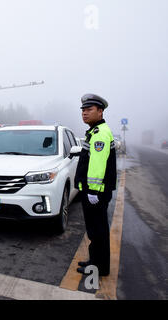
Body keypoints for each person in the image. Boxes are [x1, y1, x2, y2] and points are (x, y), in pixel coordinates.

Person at [74, 93, 117, 277]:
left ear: (100, 111)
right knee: (95, 230)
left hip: (96, 193)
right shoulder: (94, 131)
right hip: (94, 192)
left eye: (89, 109)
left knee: (98, 230)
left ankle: (99, 267)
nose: (84, 113)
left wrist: (93, 191)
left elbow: (97, 167)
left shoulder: (100, 134)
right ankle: (95, 261)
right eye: (83, 110)